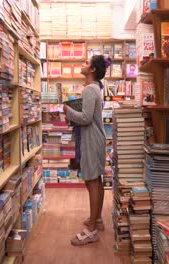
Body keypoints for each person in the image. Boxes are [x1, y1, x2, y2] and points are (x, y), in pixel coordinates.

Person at [64, 55, 110, 246]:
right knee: (96, 180)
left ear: (92, 70)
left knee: (91, 181)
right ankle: (97, 220)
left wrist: (67, 110)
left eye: (85, 63)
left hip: (91, 141)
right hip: (95, 140)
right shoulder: (95, 88)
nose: (82, 65)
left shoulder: (90, 89)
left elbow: (85, 118)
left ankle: (91, 229)